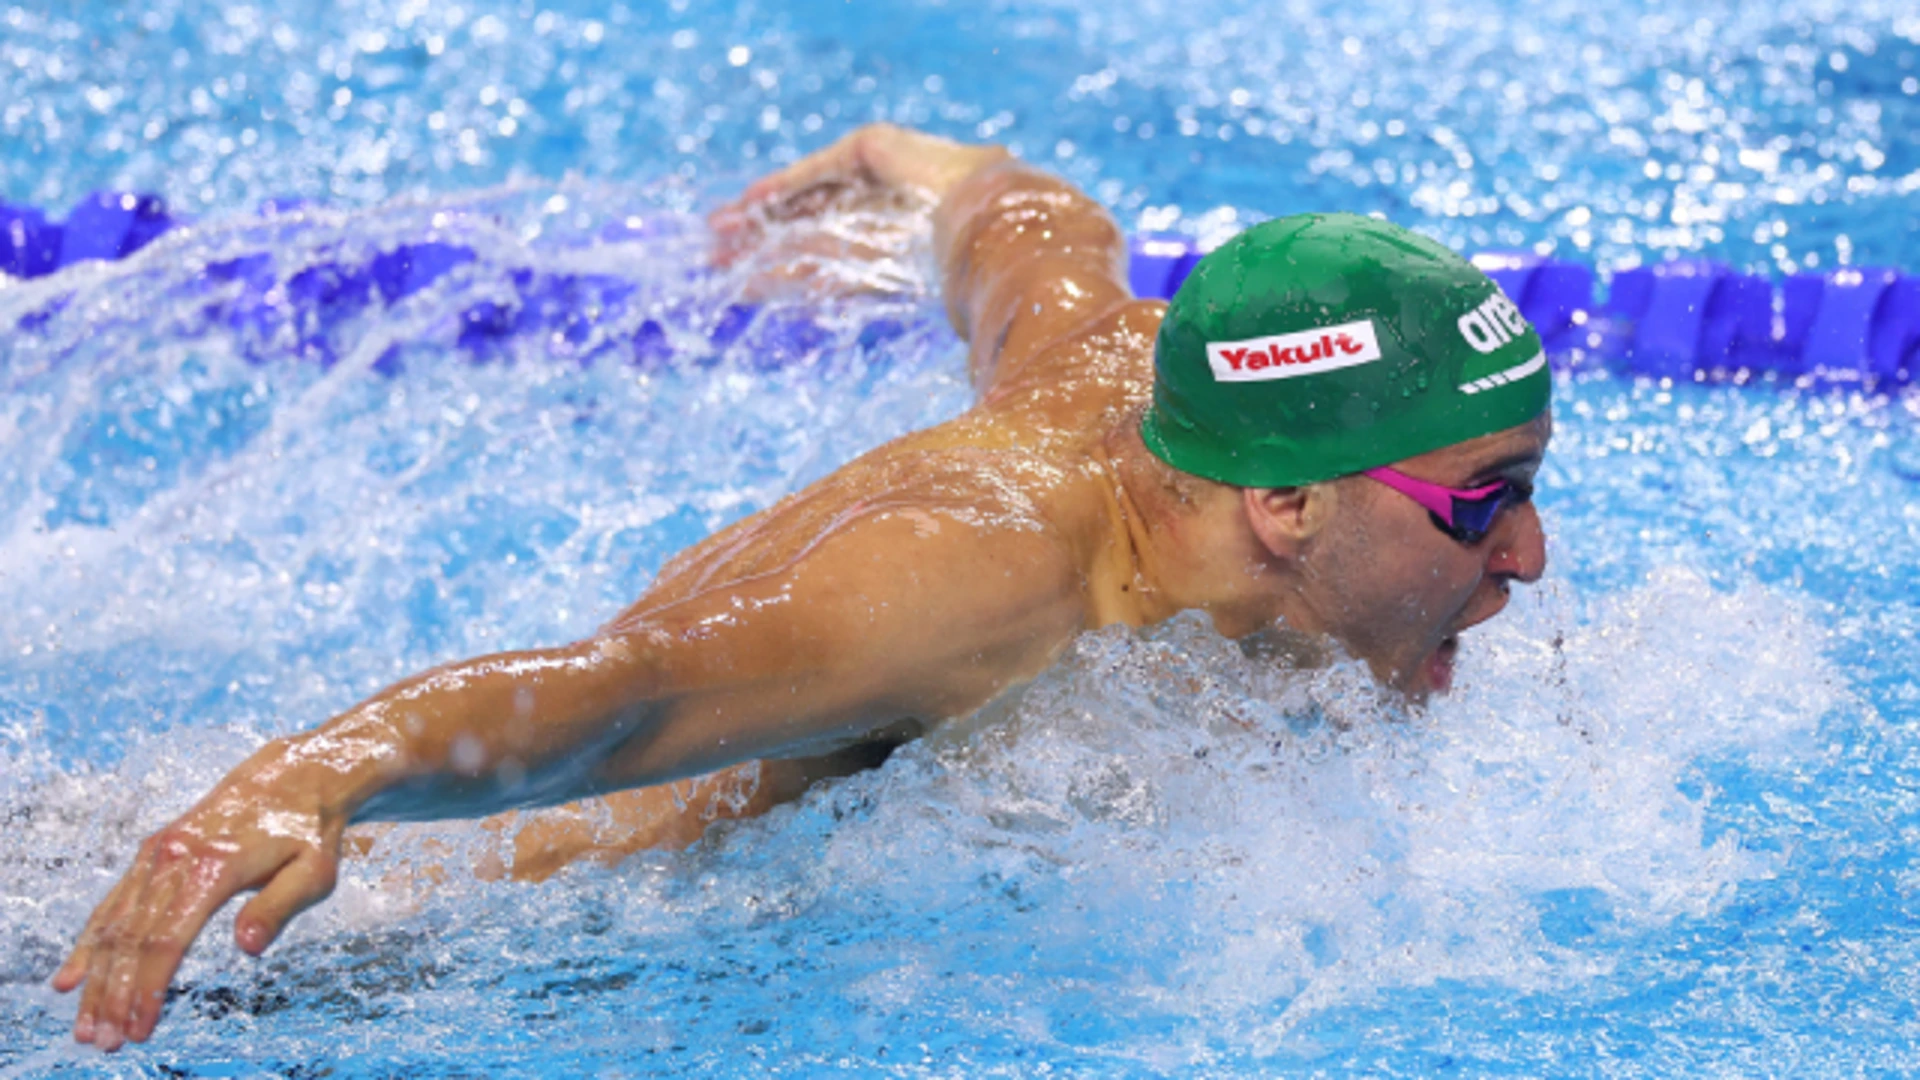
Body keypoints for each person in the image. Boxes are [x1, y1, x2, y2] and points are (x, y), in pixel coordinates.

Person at [55, 123, 1551, 1051]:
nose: (1529, 559)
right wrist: (312, 780)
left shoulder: (1143, 385)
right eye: (1486, 504)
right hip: (350, 934)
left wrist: (926, 167)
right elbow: (609, 703)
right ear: (1284, 502)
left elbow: (1033, 246)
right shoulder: (974, 579)